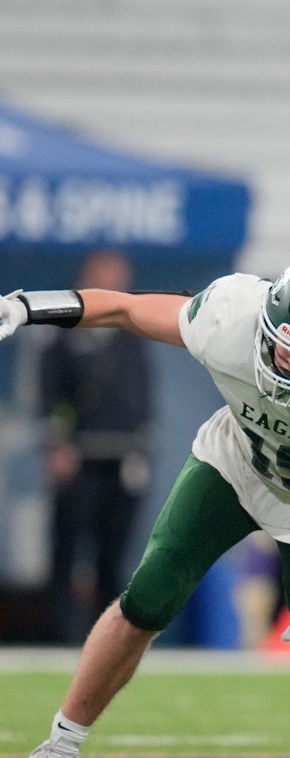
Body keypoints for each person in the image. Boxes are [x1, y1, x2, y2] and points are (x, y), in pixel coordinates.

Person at [1, 250, 290, 758]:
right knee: (147, 598)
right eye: (281, 348)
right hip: (235, 465)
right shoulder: (231, 317)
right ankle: (59, 747)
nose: (289, 368)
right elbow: (122, 310)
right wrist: (29, 306)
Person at [37, 250, 154, 642]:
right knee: (67, 550)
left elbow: (143, 394)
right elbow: (50, 394)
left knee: (113, 553)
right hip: (80, 454)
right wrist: (57, 445)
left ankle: (108, 636)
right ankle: (58, 632)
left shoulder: (132, 332)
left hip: (121, 455)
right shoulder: (64, 331)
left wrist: (141, 448)